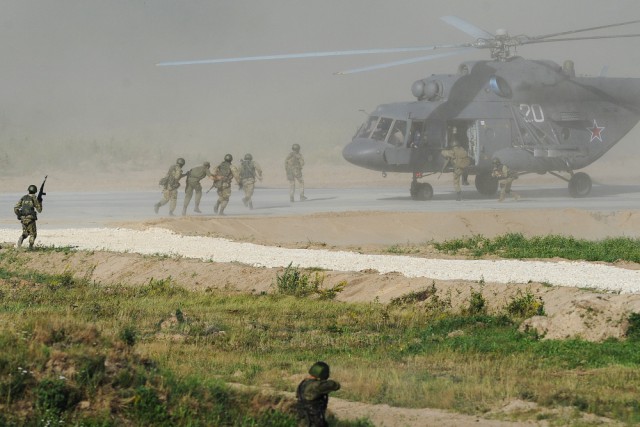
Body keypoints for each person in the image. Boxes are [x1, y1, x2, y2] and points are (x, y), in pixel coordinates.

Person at [296, 361, 341, 427]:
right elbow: (336, 385)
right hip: (314, 422)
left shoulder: (303, 383)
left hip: (303, 421)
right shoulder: (317, 386)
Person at [14, 184, 43, 250]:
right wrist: (40, 201)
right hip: (30, 219)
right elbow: (39, 210)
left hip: (23, 219)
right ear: (35, 191)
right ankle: (30, 247)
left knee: (25, 233)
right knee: (33, 234)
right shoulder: (34, 198)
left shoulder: (24, 197)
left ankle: (21, 238)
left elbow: (16, 208)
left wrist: (19, 215)